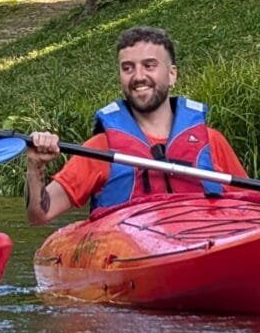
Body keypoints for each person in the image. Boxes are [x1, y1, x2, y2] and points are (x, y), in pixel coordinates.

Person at [25, 25, 247, 225]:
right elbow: (40, 214)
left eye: (149, 65)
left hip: (205, 242)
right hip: (129, 254)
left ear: (171, 75)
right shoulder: (101, 148)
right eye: (128, 68)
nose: (138, 76)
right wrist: (35, 167)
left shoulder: (211, 141)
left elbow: (250, 207)